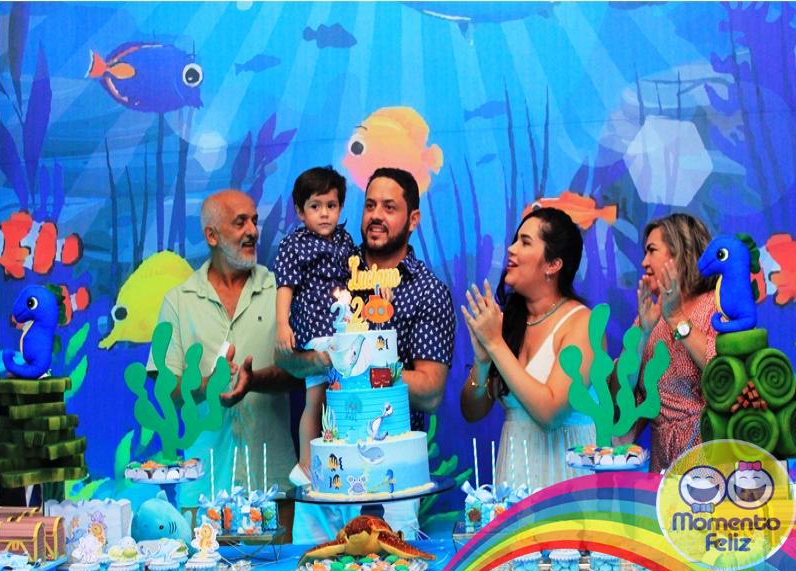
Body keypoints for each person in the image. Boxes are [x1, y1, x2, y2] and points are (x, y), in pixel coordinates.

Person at [277, 167, 455, 542]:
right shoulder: (332, 265)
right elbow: (287, 360)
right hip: (325, 472)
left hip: (389, 479)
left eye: (389, 207)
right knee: (313, 567)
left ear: (413, 219)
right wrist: (311, 360)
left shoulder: (427, 291)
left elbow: (431, 391)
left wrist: (357, 364)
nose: (376, 215)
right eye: (370, 205)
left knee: (390, 569)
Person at [147, 189, 300, 536]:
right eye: (240, 222)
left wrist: (255, 380)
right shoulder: (178, 301)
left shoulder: (280, 292)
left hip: (272, 484)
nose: (253, 231)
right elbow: (166, 390)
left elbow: (301, 374)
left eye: (255, 221)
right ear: (211, 235)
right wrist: (209, 386)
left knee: (277, 568)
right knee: (204, 569)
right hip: (203, 487)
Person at [460, 207, 595, 491]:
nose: (511, 249)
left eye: (525, 242)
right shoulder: (508, 323)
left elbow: (550, 413)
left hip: (564, 480)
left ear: (553, 265)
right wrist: (482, 363)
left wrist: (495, 344)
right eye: (515, 240)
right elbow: (472, 412)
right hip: (514, 473)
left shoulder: (582, 322)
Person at [273, 166, 357, 485]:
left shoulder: (345, 241)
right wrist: (282, 324)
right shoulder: (295, 244)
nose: (324, 213)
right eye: (315, 206)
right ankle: (306, 465)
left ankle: (340, 458)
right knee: (316, 396)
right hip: (315, 332)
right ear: (300, 211)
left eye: (331, 205)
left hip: (343, 330)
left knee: (340, 395)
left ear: (340, 207)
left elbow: (358, 277)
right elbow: (285, 286)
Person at [626, 213, 717, 472]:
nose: (644, 262)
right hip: (662, 473)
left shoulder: (717, 305)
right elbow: (626, 398)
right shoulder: (651, 317)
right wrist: (642, 334)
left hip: (712, 464)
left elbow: (725, 371)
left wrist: (676, 318)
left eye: (651, 250)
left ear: (679, 254)